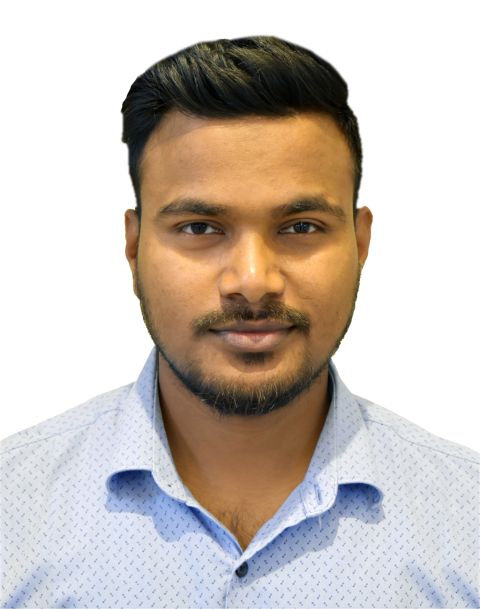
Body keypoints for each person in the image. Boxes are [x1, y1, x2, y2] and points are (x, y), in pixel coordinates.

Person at [1, 35, 478, 609]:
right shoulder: (12, 513)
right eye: (200, 228)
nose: (253, 281)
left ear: (360, 243)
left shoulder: (467, 521)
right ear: (133, 247)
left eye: (300, 227)